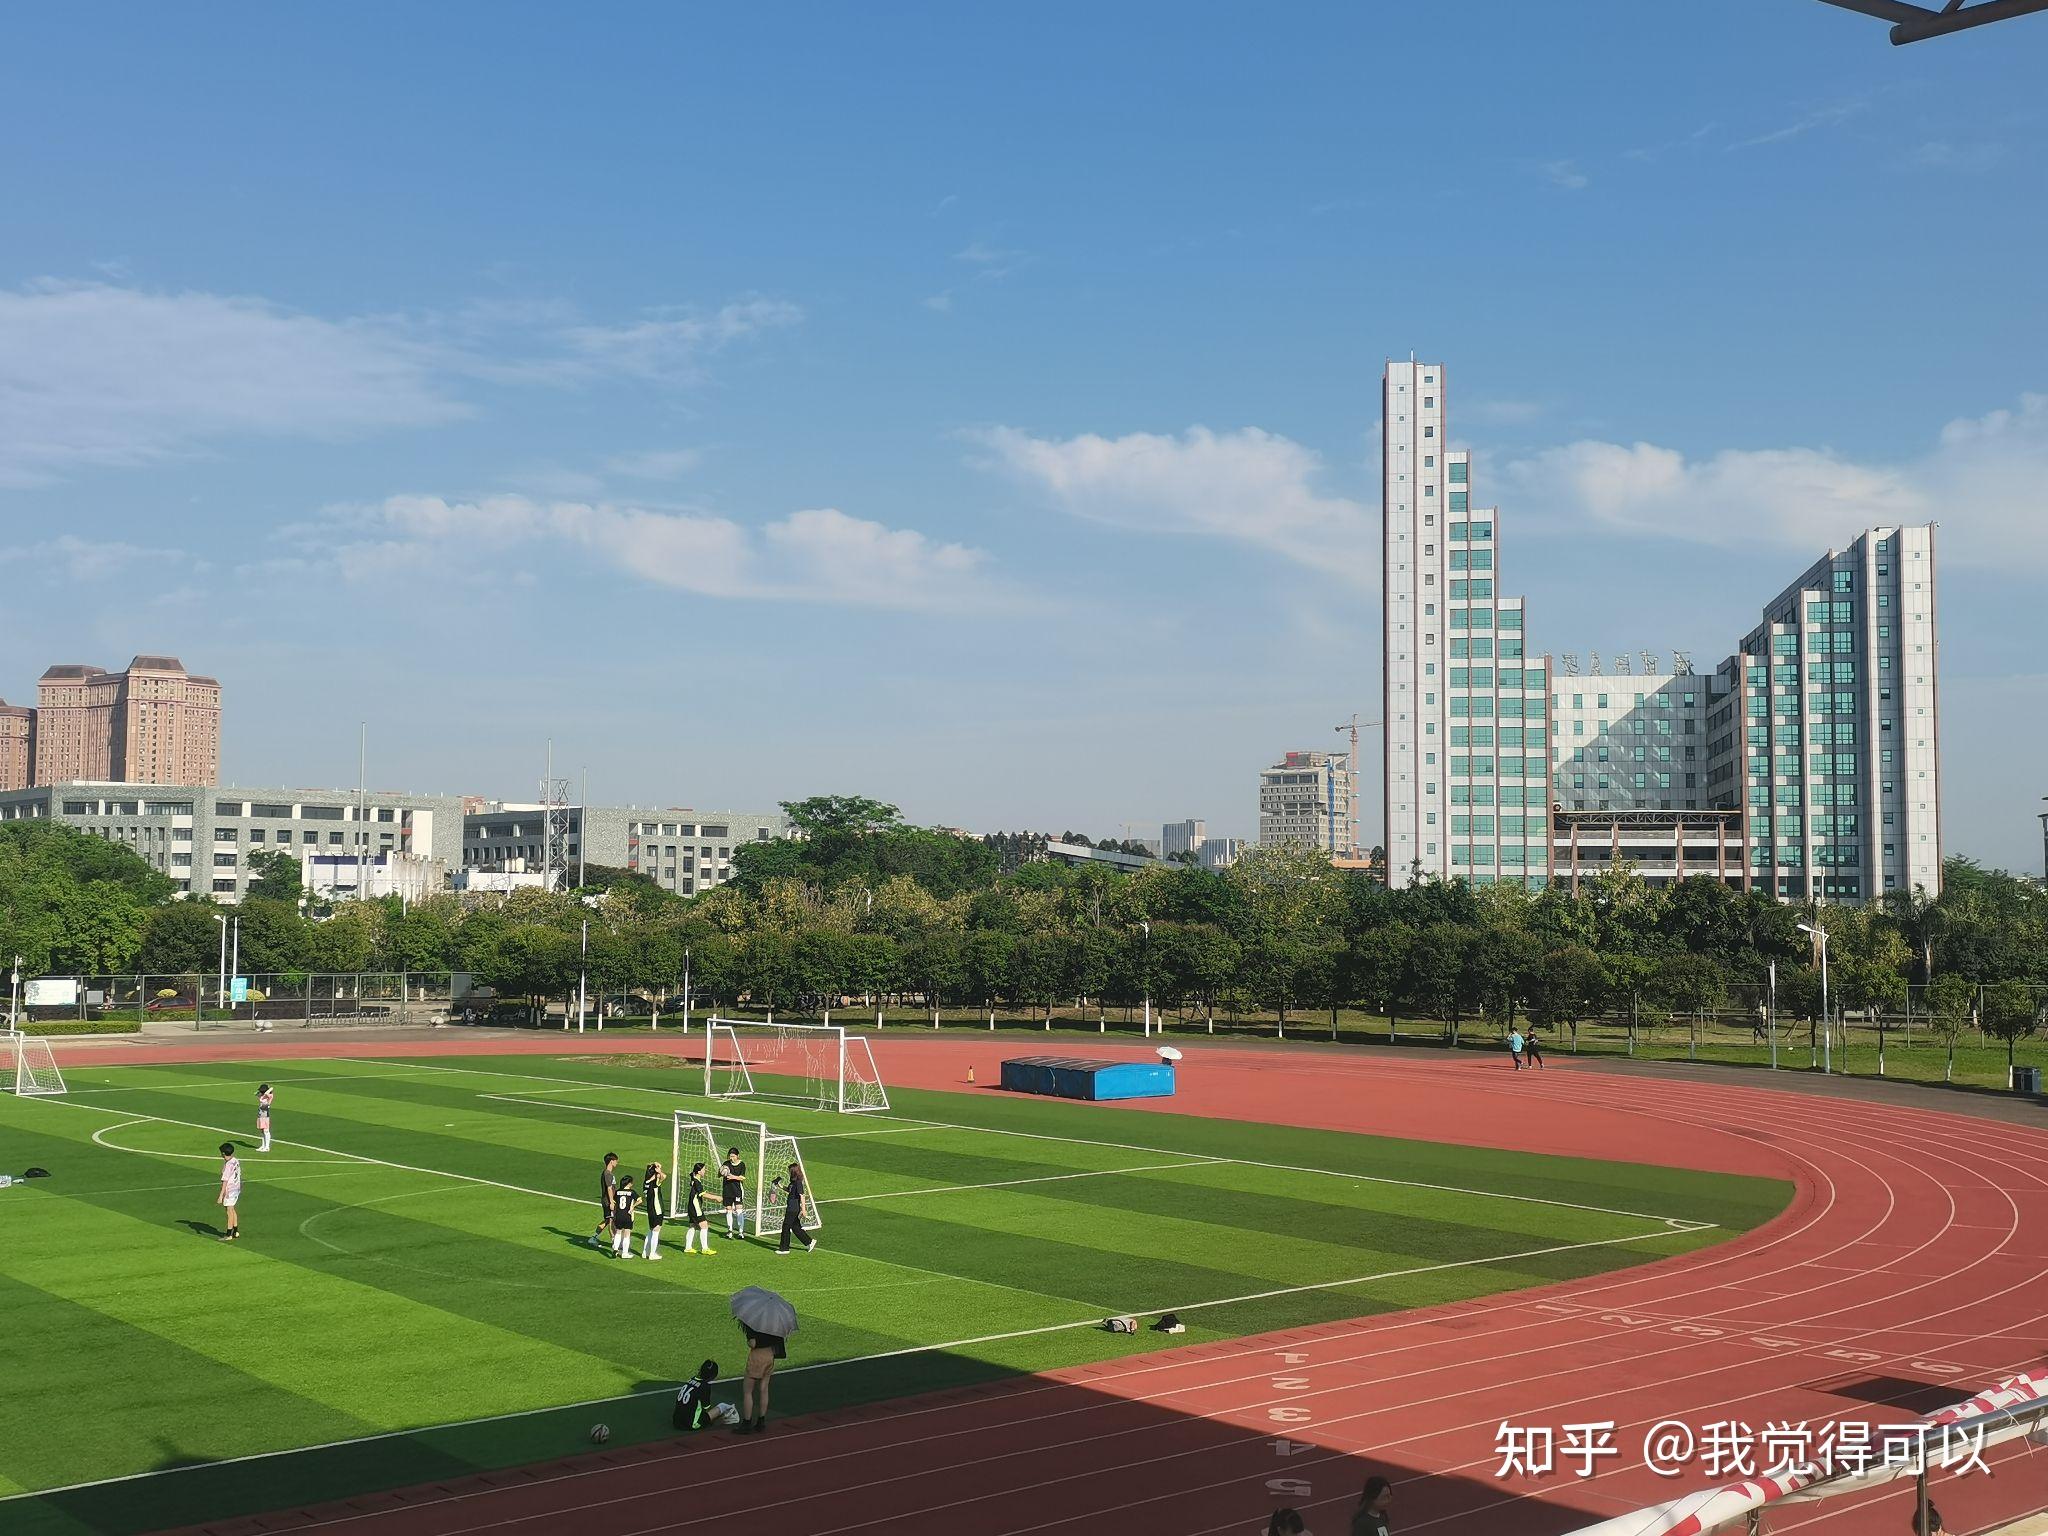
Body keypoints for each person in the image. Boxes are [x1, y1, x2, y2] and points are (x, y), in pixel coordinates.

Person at [734, 1317, 784, 1434]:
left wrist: (748, 1340)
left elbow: (753, 1343)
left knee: (747, 1391)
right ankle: (761, 1422)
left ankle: (747, 1423)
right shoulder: (774, 1321)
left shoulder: (754, 1322)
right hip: (770, 1355)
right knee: (764, 1389)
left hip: (757, 1357)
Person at [774, 1161, 816, 1255]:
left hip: (793, 1208)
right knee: (795, 1227)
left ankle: (784, 1248)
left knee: (786, 1226)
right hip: (791, 1206)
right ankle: (809, 1242)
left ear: (793, 1172)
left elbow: (802, 1195)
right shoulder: (793, 1182)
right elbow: (789, 1190)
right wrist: (779, 1185)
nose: (788, 1172)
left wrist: (804, 1210)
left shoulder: (798, 1183)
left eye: (789, 1171)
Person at [672, 1358, 721, 1431]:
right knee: (722, 1406)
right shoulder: (705, 1386)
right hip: (691, 1424)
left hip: (676, 1421)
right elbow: (707, 1408)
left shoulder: (692, 1379)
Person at [682, 1161, 716, 1255]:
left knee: (693, 1226)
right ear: (699, 1171)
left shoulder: (694, 1179)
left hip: (691, 1207)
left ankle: (688, 1247)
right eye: (704, 1169)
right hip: (695, 1207)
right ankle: (705, 1248)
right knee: (704, 1225)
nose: (705, 1171)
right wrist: (716, 1198)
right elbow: (703, 1194)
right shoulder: (697, 1182)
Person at [591, 1152, 619, 1248]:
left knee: (607, 1220)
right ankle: (614, 1243)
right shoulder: (607, 1174)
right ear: (611, 1161)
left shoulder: (608, 1173)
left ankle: (593, 1238)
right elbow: (609, 1188)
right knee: (611, 1221)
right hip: (608, 1201)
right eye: (616, 1161)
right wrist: (611, 1201)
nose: (617, 1163)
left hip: (609, 1200)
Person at [217, 1142, 242, 1241]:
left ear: (223, 1153)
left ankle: (229, 1234)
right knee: (232, 1209)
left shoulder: (228, 1166)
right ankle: (236, 1231)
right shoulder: (235, 1160)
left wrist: (221, 1195)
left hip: (230, 1191)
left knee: (229, 1211)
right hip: (236, 1188)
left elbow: (225, 1181)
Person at [641, 1163, 666, 1260]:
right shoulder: (655, 1183)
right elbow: (664, 1176)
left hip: (650, 1209)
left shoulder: (646, 1183)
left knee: (650, 1230)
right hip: (657, 1209)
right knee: (656, 1231)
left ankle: (645, 1252)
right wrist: (659, 1172)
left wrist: (653, 1165)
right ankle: (652, 1254)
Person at [721, 1146, 747, 1240]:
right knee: (728, 1210)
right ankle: (730, 1231)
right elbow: (719, 1174)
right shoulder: (726, 1163)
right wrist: (721, 1172)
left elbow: (742, 1177)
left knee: (739, 1210)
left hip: (737, 1190)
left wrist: (733, 1177)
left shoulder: (741, 1164)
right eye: (730, 1156)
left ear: (737, 1156)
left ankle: (740, 1232)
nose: (731, 1158)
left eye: (733, 1156)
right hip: (727, 1190)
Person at [609, 1174, 637, 1259]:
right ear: (629, 1183)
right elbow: (640, 1200)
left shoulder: (617, 1192)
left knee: (618, 1232)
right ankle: (625, 1253)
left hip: (619, 1215)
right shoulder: (632, 1192)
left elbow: (613, 1200)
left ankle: (616, 1248)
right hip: (627, 1215)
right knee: (627, 1233)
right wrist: (633, 1206)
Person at [256, 1083, 273, 1153]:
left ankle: (267, 1147)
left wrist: (268, 1090)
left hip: (265, 1115)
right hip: (260, 1114)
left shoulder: (270, 1096)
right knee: (262, 1131)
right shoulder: (262, 1096)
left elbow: (272, 1088)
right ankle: (263, 1145)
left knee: (266, 1131)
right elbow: (256, 1093)